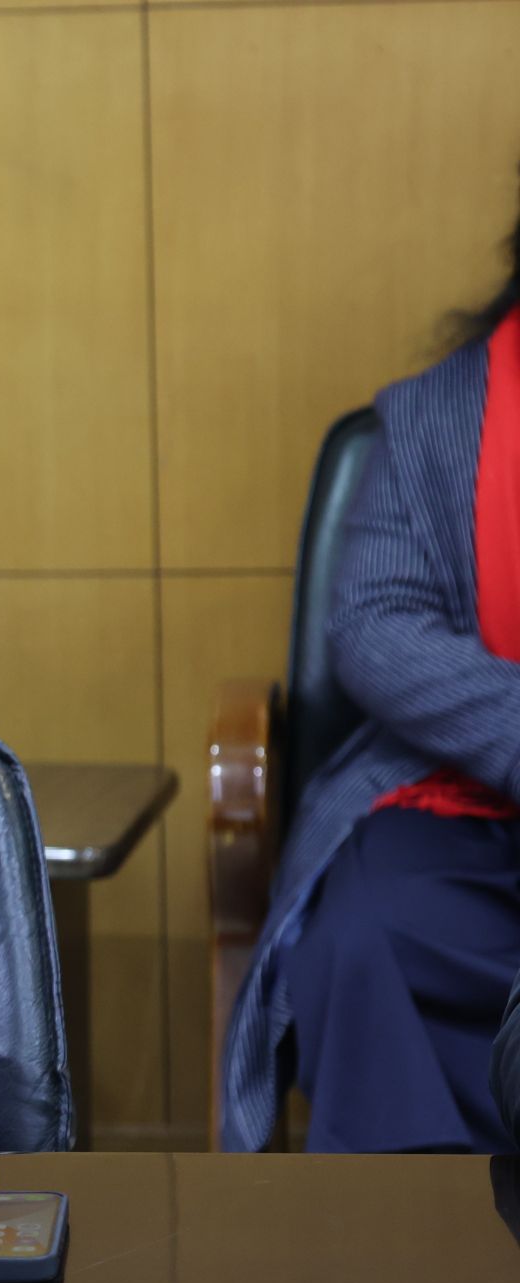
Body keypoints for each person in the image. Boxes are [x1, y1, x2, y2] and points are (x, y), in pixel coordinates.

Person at [222, 171, 520, 1153]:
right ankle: (412, 1238)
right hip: (459, 800)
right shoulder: (432, 417)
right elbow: (374, 624)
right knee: (365, 934)